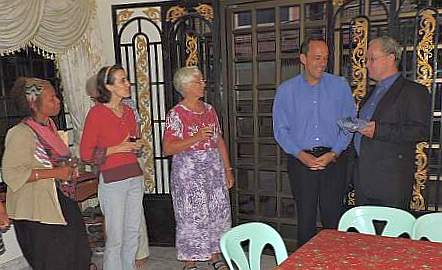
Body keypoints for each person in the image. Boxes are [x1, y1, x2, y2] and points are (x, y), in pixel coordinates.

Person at [273, 37, 356, 246]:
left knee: (333, 217)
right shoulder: (286, 90)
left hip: (334, 160)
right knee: (306, 218)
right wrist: (301, 155)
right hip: (301, 161)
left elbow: (349, 125)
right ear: (303, 58)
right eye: (317, 58)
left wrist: (334, 153)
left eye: (325, 58)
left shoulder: (340, 86)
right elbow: (280, 130)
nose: (322, 63)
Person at [2, 77, 91, 270]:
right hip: (36, 212)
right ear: (34, 104)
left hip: (59, 200)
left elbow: (55, 161)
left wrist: (67, 165)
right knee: (54, 261)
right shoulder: (20, 133)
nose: (58, 100)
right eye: (52, 98)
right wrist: (55, 172)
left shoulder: (49, 126)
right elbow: (11, 174)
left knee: (79, 254)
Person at [163, 66, 234, 270]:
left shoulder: (210, 110)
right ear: (185, 86)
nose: (203, 83)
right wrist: (196, 137)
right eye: (198, 81)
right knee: (191, 216)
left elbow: (219, 141)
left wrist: (227, 170)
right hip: (188, 174)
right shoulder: (176, 114)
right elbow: (167, 148)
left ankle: (215, 255)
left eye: (202, 80)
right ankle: (189, 261)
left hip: (213, 169)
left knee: (217, 213)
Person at [353, 36, 431, 209]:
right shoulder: (371, 93)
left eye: (372, 59)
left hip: (390, 183)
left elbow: (420, 131)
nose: (366, 64)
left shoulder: (413, 91)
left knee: (387, 234)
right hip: (363, 179)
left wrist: (379, 130)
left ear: (390, 58)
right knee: (364, 235)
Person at [80, 65, 144, 270]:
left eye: (127, 79)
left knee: (132, 232)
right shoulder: (96, 114)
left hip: (134, 176)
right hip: (112, 181)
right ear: (108, 86)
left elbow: (132, 146)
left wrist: (136, 146)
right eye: (122, 80)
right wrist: (117, 148)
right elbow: (86, 154)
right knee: (115, 237)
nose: (128, 83)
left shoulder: (128, 111)